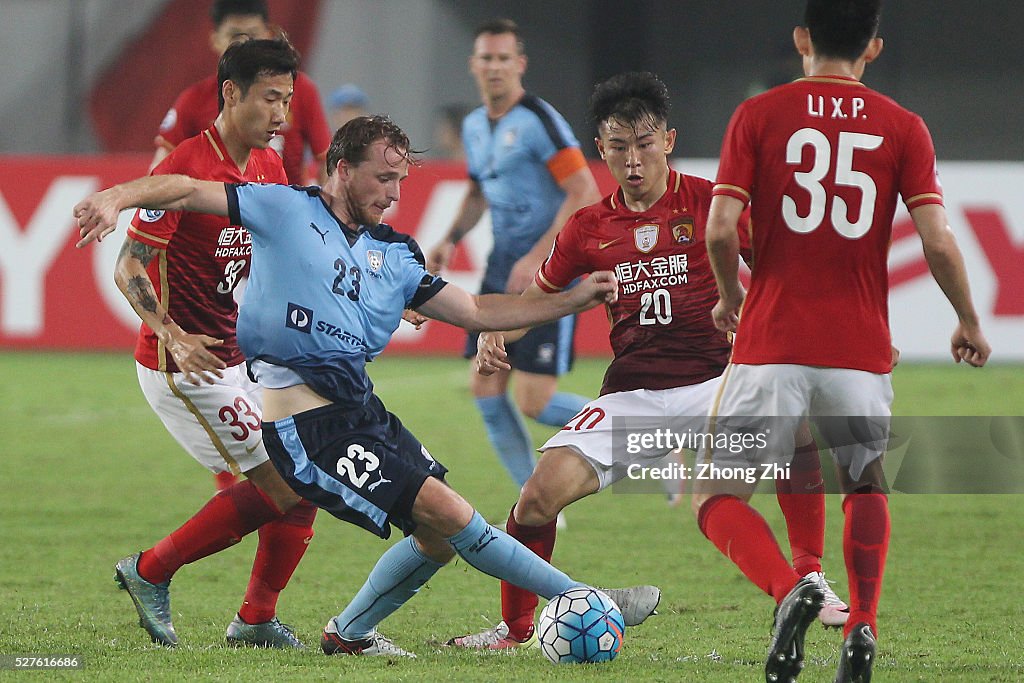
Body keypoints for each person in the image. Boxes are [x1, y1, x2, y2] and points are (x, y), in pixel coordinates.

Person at [75, 114, 660, 658]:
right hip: (306, 426)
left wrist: (571, 300)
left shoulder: (394, 254)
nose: (393, 194)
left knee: (435, 536)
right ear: (342, 169)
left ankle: (348, 634)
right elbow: (181, 189)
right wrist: (115, 195)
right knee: (451, 512)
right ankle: (587, 597)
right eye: (383, 177)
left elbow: (478, 309)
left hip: (362, 413)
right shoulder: (282, 209)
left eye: (401, 181)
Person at [444, 72, 843, 651]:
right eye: (619, 146)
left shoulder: (713, 204)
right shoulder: (589, 226)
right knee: (534, 500)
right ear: (601, 149)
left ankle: (805, 580)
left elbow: (784, 271)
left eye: (645, 144)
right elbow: (540, 296)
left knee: (794, 431)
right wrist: (498, 333)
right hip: (632, 394)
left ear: (669, 141)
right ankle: (515, 630)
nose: (633, 160)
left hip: (718, 383)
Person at [695, 2, 991, 681]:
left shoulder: (758, 115)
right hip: (858, 346)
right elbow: (937, 239)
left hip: (770, 341)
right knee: (864, 482)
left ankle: (790, 584)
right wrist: (968, 318)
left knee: (717, 494)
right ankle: (862, 622)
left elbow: (719, 229)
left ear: (802, 38)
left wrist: (731, 297)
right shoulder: (903, 127)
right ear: (874, 48)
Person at [98, 37, 320, 650]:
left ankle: (255, 623)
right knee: (286, 485)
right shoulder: (185, 169)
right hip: (182, 364)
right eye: (270, 99)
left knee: (303, 486)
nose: (281, 115)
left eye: (289, 101)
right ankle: (149, 572)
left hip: (237, 359)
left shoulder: (268, 168)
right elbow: (130, 266)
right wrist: (171, 333)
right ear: (231, 93)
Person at [426, 18, 601, 491]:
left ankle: (634, 431)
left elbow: (583, 190)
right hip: (502, 266)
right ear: (474, 65)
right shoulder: (475, 126)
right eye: (487, 57)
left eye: (504, 58)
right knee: (485, 384)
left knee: (535, 401)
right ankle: (534, 502)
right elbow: (479, 194)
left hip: (550, 268)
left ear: (519, 64)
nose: (495, 66)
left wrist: (543, 256)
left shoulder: (538, 121)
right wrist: (448, 238)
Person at [152, 0, 331, 187]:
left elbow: (326, 159)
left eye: (284, 101)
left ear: (267, 35)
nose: (245, 45)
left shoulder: (301, 89)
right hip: (216, 208)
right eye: (234, 36)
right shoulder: (193, 100)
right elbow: (160, 172)